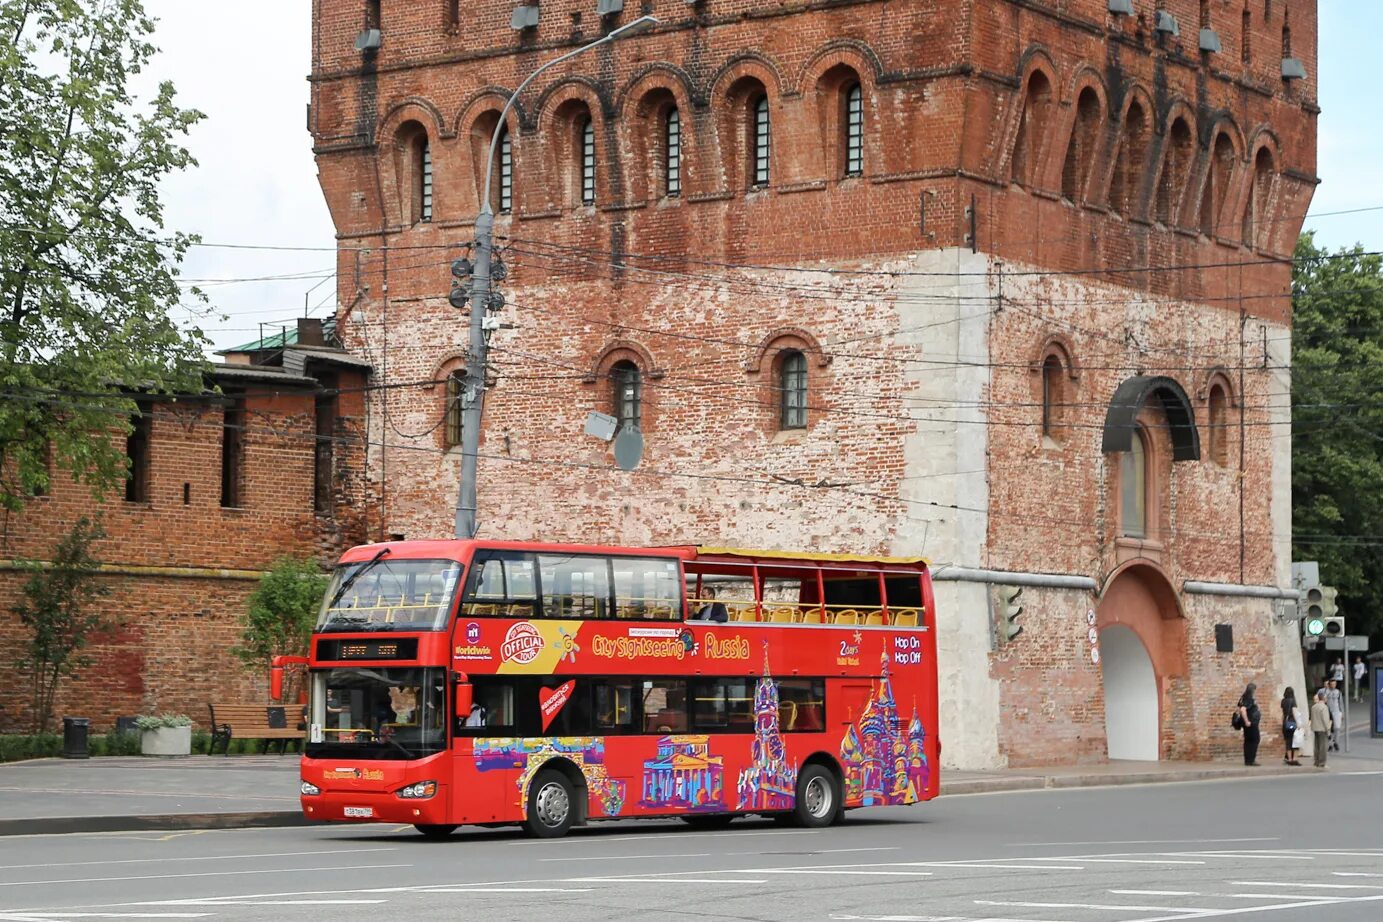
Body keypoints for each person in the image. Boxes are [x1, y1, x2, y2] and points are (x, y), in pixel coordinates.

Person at [1236, 683, 1262, 766]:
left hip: (1247, 723)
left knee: (1248, 741)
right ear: (1252, 690)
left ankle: (1247, 760)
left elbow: (1239, 709)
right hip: (1251, 723)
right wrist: (1247, 721)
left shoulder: (1243, 697)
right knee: (1255, 740)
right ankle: (1251, 759)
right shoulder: (1248, 698)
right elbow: (1243, 710)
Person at [1280, 686, 1302, 766]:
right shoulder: (1292, 701)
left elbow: (1283, 713)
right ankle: (1294, 759)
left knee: (1288, 742)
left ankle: (1289, 759)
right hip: (1292, 723)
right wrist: (1298, 723)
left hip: (1285, 723)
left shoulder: (1283, 701)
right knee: (1296, 741)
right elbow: (1294, 712)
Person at [1310, 690, 1331, 768]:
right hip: (1322, 729)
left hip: (1315, 728)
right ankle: (1322, 762)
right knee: (1323, 746)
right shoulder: (1324, 707)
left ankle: (1316, 761)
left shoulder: (1313, 707)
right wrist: (1328, 729)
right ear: (1324, 698)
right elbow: (1325, 720)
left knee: (1317, 746)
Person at [1325, 679, 1344, 751]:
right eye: (1332, 684)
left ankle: (1336, 742)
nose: (1333, 685)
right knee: (1329, 729)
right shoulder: (1326, 692)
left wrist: (1342, 713)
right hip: (1328, 712)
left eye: (1334, 684)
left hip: (1337, 712)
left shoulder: (1338, 692)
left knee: (1337, 728)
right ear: (1329, 684)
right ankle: (1330, 744)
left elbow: (1341, 703)